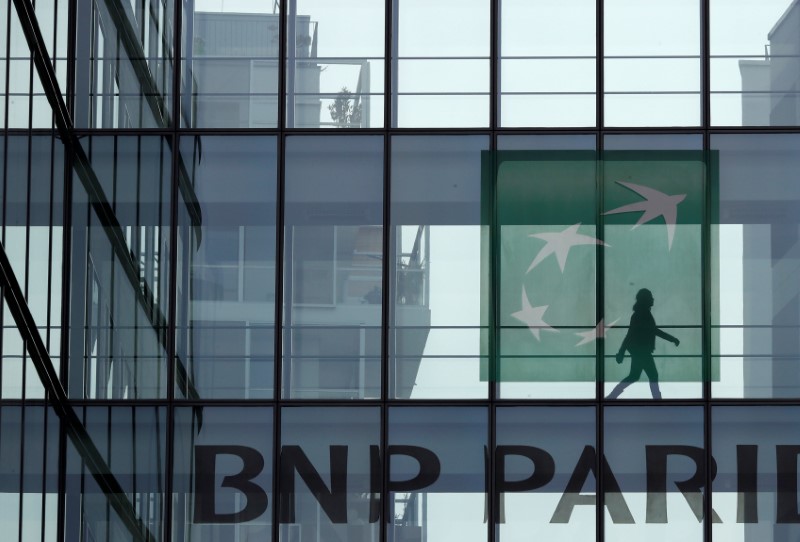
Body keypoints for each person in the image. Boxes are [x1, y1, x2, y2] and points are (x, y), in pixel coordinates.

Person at [607, 288, 679, 400]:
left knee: (635, 376)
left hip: (639, 351)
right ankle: (657, 400)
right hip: (642, 352)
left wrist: (622, 352)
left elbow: (631, 335)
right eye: (650, 297)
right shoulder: (642, 315)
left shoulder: (640, 314)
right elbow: (647, 332)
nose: (653, 299)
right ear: (646, 300)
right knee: (651, 375)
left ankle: (612, 396)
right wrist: (672, 339)